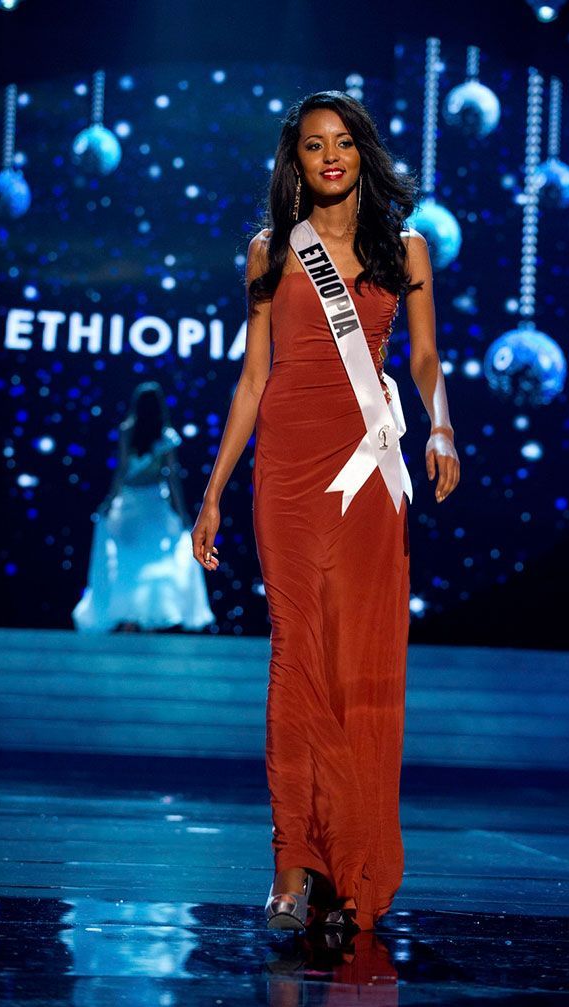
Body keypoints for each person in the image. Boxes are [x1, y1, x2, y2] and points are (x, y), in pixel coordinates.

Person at [191, 91, 459, 933]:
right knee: (294, 653)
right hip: (289, 474)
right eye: (314, 146)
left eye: (344, 143)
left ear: (362, 154)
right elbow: (251, 377)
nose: (331, 157)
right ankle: (290, 862)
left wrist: (442, 427)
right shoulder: (269, 252)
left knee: (356, 663)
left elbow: (422, 356)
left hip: (366, 473)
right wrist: (214, 490)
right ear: (296, 161)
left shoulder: (405, 247)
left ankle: (353, 862)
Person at [73, 381, 214, 633]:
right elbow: (172, 477)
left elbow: (123, 472)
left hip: (135, 505)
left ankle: (135, 618)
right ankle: (137, 618)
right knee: (152, 562)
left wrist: (108, 502)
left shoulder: (138, 432)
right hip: (148, 506)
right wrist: (181, 512)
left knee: (129, 563)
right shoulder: (161, 435)